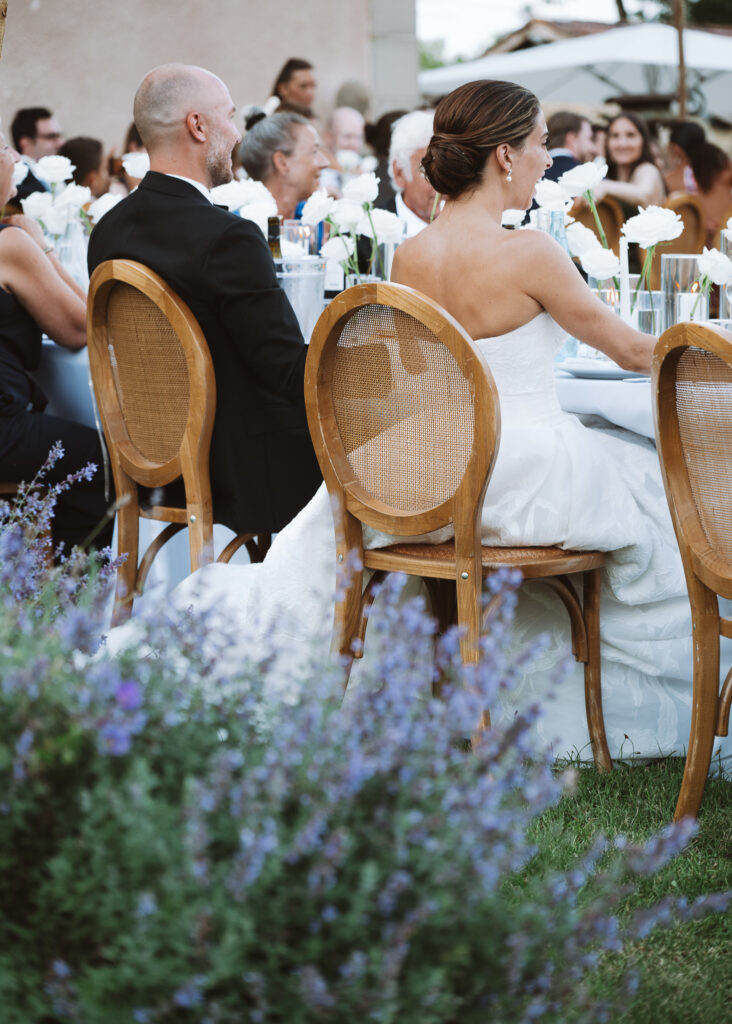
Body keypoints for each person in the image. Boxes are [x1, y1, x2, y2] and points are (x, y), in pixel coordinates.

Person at [119, 79, 730, 769]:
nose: (546, 160)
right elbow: (629, 351)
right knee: (658, 483)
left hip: (426, 474)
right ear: (503, 156)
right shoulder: (530, 253)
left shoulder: (412, 255)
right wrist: (705, 340)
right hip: (520, 470)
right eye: (540, 146)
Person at [88, 63, 321, 537]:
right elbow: (286, 374)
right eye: (230, 118)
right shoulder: (228, 238)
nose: (237, 134)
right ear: (198, 126)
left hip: (150, 468)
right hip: (245, 472)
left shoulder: (107, 231)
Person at [0, 136, 113, 555]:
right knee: (95, 461)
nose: (15, 160)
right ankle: (75, 598)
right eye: (5, 151)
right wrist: (40, 243)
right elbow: (80, 327)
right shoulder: (9, 243)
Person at [239, 110, 329, 220]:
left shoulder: (313, 220)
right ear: (282, 163)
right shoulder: (241, 227)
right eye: (314, 151)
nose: (325, 162)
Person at [380, 109, 437, 235]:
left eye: (449, 168)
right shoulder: (368, 236)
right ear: (399, 173)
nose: (442, 181)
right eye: (427, 170)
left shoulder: (468, 229)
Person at [594, 111, 665, 208]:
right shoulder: (609, 173)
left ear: (643, 140)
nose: (622, 144)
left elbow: (644, 194)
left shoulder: (647, 169)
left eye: (630, 135)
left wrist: (604, 186)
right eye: (615, 136)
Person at [10, 106, 65, 201]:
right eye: (51, 137)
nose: (60, 143)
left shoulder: (58, 172)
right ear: (26, 142)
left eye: (59, 136)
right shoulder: (17, 180)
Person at [543, 111, 596, 181]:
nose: (593, 147)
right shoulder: (585, 175)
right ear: (572, 138)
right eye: (589, 138)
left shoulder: (533, 170)